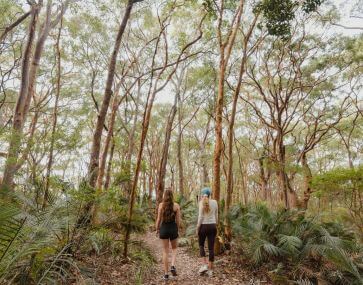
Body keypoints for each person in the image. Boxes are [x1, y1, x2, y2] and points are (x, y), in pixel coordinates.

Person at [155, 188, 182, 280]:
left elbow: (158, 219)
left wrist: (157, 229)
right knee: (174, 248)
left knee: (165, 251)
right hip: (173, 228)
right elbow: (178, 221)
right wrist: (177, 229)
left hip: (164, 228)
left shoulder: (161, 205)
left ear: (164, 196)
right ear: (172, 195)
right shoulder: (176, 206)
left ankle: (166, 274)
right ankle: (173, 265)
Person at [196, 187, 218, 277]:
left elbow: (200, 217)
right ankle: (211, 271)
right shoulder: (215, 202)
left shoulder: (201, 202)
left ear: (202, 195)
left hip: (203, 226)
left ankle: (204, 265)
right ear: (210, 195)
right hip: (212, 226)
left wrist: (197, 228)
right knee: (211, 248)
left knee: (201, 245)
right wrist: (215, 224)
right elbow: (216, 214)